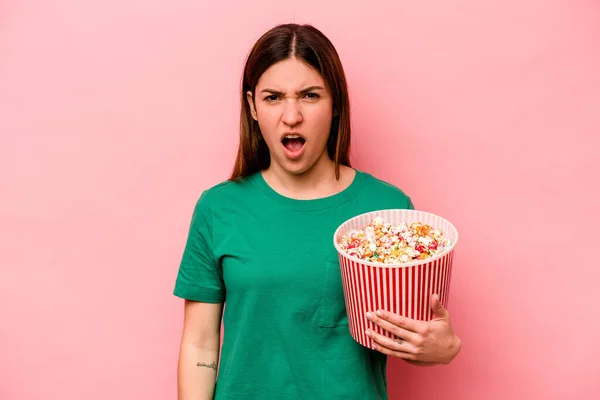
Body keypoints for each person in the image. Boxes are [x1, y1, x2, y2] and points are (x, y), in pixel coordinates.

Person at [173, 23, 461, 400]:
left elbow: (410, 335)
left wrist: (444, 348)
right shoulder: (218, 208)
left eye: (310, 96)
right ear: (252, 107)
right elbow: (199, 345)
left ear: (335, 104)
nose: (291, 116)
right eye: (273, 98)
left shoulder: (387, 211)